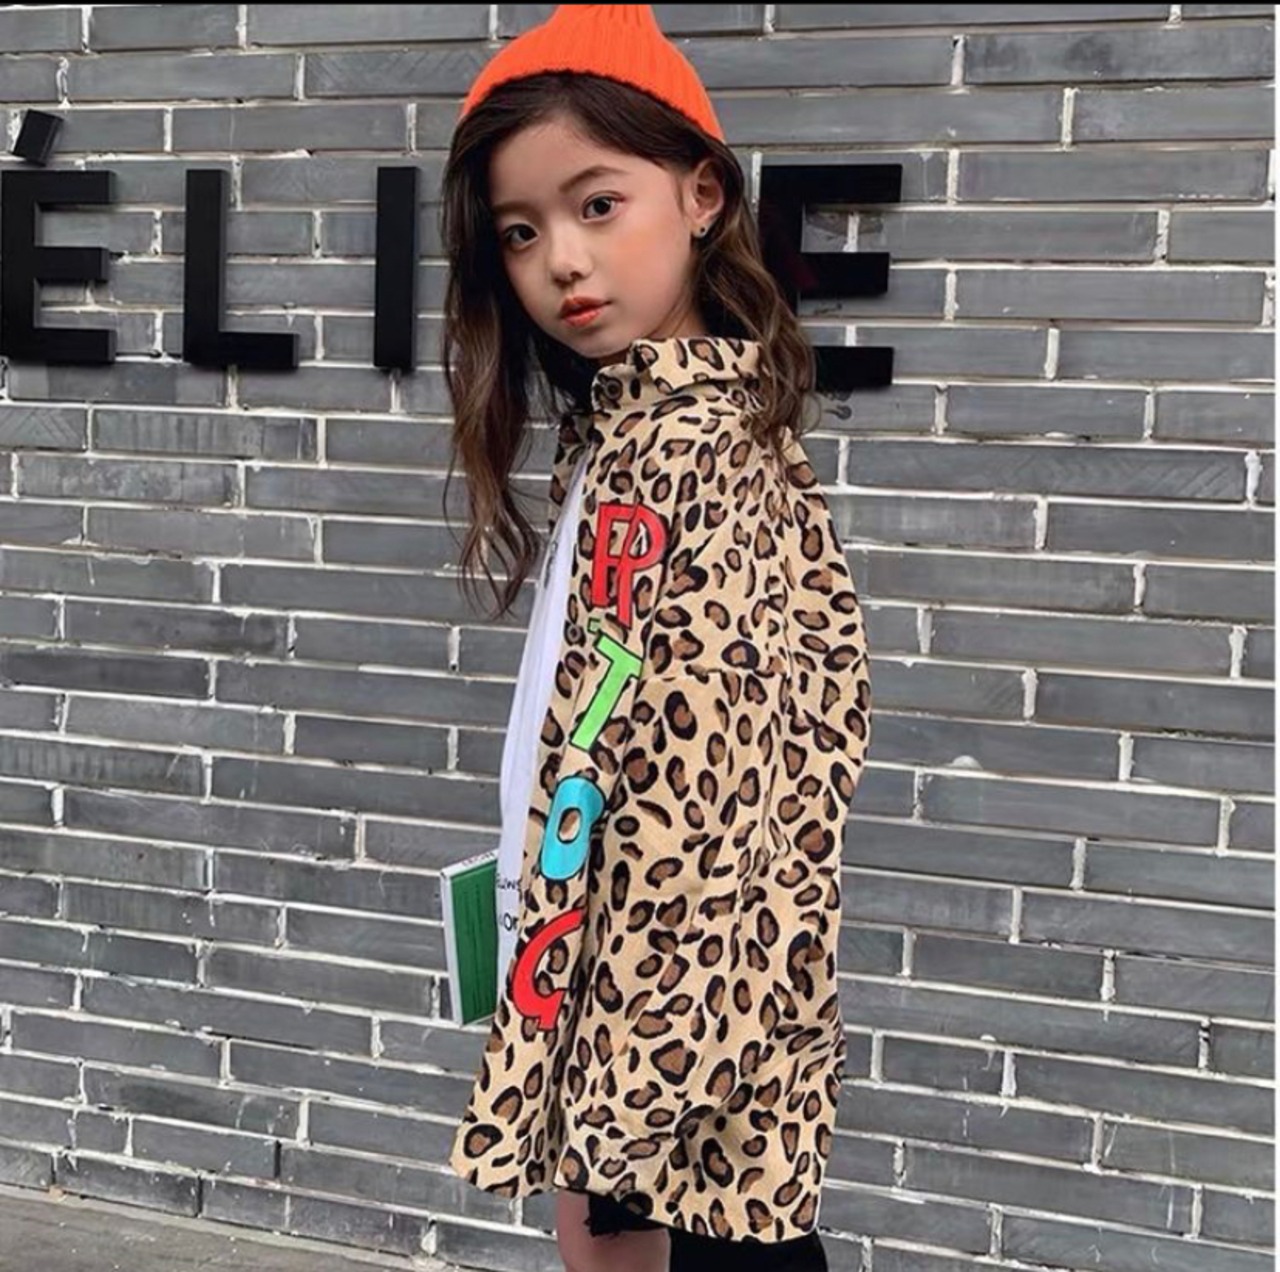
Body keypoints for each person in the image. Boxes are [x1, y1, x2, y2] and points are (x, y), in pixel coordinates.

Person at [438, 7, 873, 1271]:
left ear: (699, 195)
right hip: (614, 988)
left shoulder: (695, 449)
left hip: (664, 1030)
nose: (561, 263)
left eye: (596, 205)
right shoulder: (630, 430)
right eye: (520, 232)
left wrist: (630, 1085)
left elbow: (717, 795)